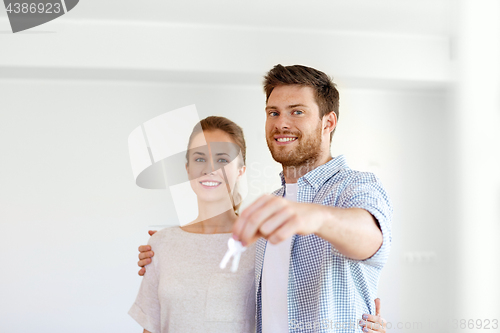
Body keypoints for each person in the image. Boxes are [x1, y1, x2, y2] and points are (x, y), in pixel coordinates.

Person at [138, 64, 392, 332]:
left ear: (328, 122)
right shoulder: (272, 207)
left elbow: (372, 238)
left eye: (297, 111)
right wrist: (171, 247)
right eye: (273, 112)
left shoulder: (356, 186)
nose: (281, 122)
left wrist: (313, 216)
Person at [129, 116, 256, 333]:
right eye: (200, 159)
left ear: (240, 170)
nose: (210, 168)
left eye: (223, 159)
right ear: (188, 169)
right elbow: (152, 328)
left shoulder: (260, 244)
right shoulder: (160, 244)